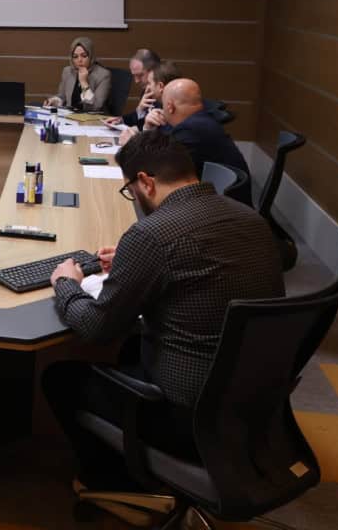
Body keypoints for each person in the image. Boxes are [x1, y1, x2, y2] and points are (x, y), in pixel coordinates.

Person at [43, 130, 283, 520]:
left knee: (60, 378)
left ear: (146, 182)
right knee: (129, 349)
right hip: (255, 405)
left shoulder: (152, 235)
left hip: (188, 417)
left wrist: (66, 284)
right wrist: (131, 262)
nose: (134, 198)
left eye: (130, 190)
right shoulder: (251, 220)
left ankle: (115, 483)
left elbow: (96, 328)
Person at [130, 78, 252, 205]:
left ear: (170, 107)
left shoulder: (190, 130)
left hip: (224, 210)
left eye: (163, 106)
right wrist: (149, 129)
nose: (162, 111)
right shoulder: (201, 120)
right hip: (224, 202)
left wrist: (140, 136)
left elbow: (156, 167)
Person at [108, 59, 179, 131]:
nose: (147, 87)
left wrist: (143, 130)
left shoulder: (174, 112)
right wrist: (139, 110)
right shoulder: (155, 100)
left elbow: (157, 133)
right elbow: (142, 124)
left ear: (160, 86)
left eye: (149, 83)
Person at [45, 36, 111, 112]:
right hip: (70, 115)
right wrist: (54, 101)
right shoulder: (67, 71)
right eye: (75, 56)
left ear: (91, 56)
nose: (79, 60)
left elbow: (96, 107)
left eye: (84, 56)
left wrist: (84, 82)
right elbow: (62, 96)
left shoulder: (103, 75)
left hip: (92, 117)